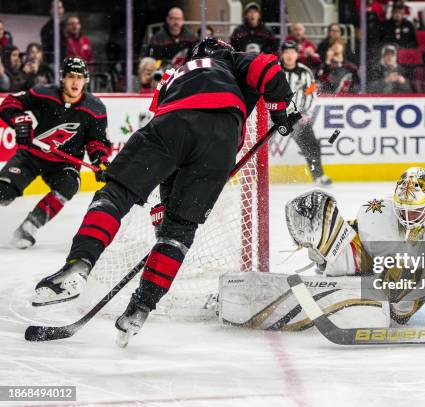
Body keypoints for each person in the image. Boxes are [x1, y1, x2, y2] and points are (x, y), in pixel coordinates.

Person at [31, 39, 293, 348]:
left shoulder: (173, 75)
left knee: (116, 194)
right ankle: (141, 308)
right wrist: (279, 112)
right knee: (179, 232)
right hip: (221, 143)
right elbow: (269, 68)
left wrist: (162, 205)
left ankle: (79, 264)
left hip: (172, 122)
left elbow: (166, 138)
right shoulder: (233, 61)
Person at [283, 167, 425, 346]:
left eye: (415, 212)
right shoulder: (377, 212)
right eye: (403, 211)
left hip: (408, 293)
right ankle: (339, 284)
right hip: (374, 271)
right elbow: (355, 239)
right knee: (322, 218)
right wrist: (324, 240)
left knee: (406, 271)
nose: (408, 219)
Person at [0, 57, 110, 250]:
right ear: (62, 78)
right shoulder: (44, 93)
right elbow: (10, 102)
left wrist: (100, 160)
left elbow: (96, 141)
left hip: (64, 164)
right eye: (70, 76)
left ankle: (29, 227)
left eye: (79, 77)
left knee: (69, 185)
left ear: (86, 80)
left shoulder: (95, 108)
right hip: (31, 155)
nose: (75, 82)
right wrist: (19, 120)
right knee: (4, 192)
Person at [280, 41, 331, 186]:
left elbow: (311, 94)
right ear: (282, 54)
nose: (289, 55)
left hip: (296, 117)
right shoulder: (275, 70)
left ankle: (319, 176)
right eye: (286, 52)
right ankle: (249, 174)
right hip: (274, 116)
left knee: (312, 146)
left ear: (297, 54)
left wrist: (305, 113)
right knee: (260, 146)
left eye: (292, 52)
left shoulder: (305, 72)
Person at [40, 0, 66, 64]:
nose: (58, 11)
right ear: (51, 10)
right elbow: (46, 51)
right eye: (56, 8)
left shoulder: (67, 26)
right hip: (55, 65)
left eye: (60, 8)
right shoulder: (46, 29)